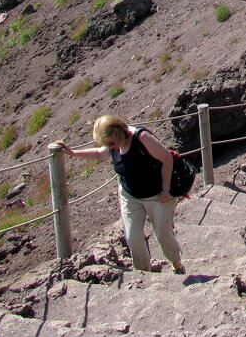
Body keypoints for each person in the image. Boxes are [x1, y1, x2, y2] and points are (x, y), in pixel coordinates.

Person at [58, 116, 184, 274]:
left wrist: (165, 190)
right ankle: (143, 272)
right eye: (108, 144)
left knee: (162, 233)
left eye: (111, 143)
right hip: (130, 194)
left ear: (120, 132)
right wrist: (73, 153)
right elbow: (99, 154)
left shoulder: (142, 138)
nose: (111, 147)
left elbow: (166, 158)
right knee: (133, 236)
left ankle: (176, 263)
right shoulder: (113, 144)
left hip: (157, 194)